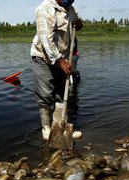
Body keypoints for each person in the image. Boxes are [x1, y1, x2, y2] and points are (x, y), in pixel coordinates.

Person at [31, 0, 83, 140]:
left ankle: (61, 126)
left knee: (61, 93)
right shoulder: (45, 9)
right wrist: (59, 61)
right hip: (43, 57)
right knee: (45, 94)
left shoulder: (71, 8)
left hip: (63, 57)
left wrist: (79, 24)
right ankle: (46, 129)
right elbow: (46, 39)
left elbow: (77, 25)